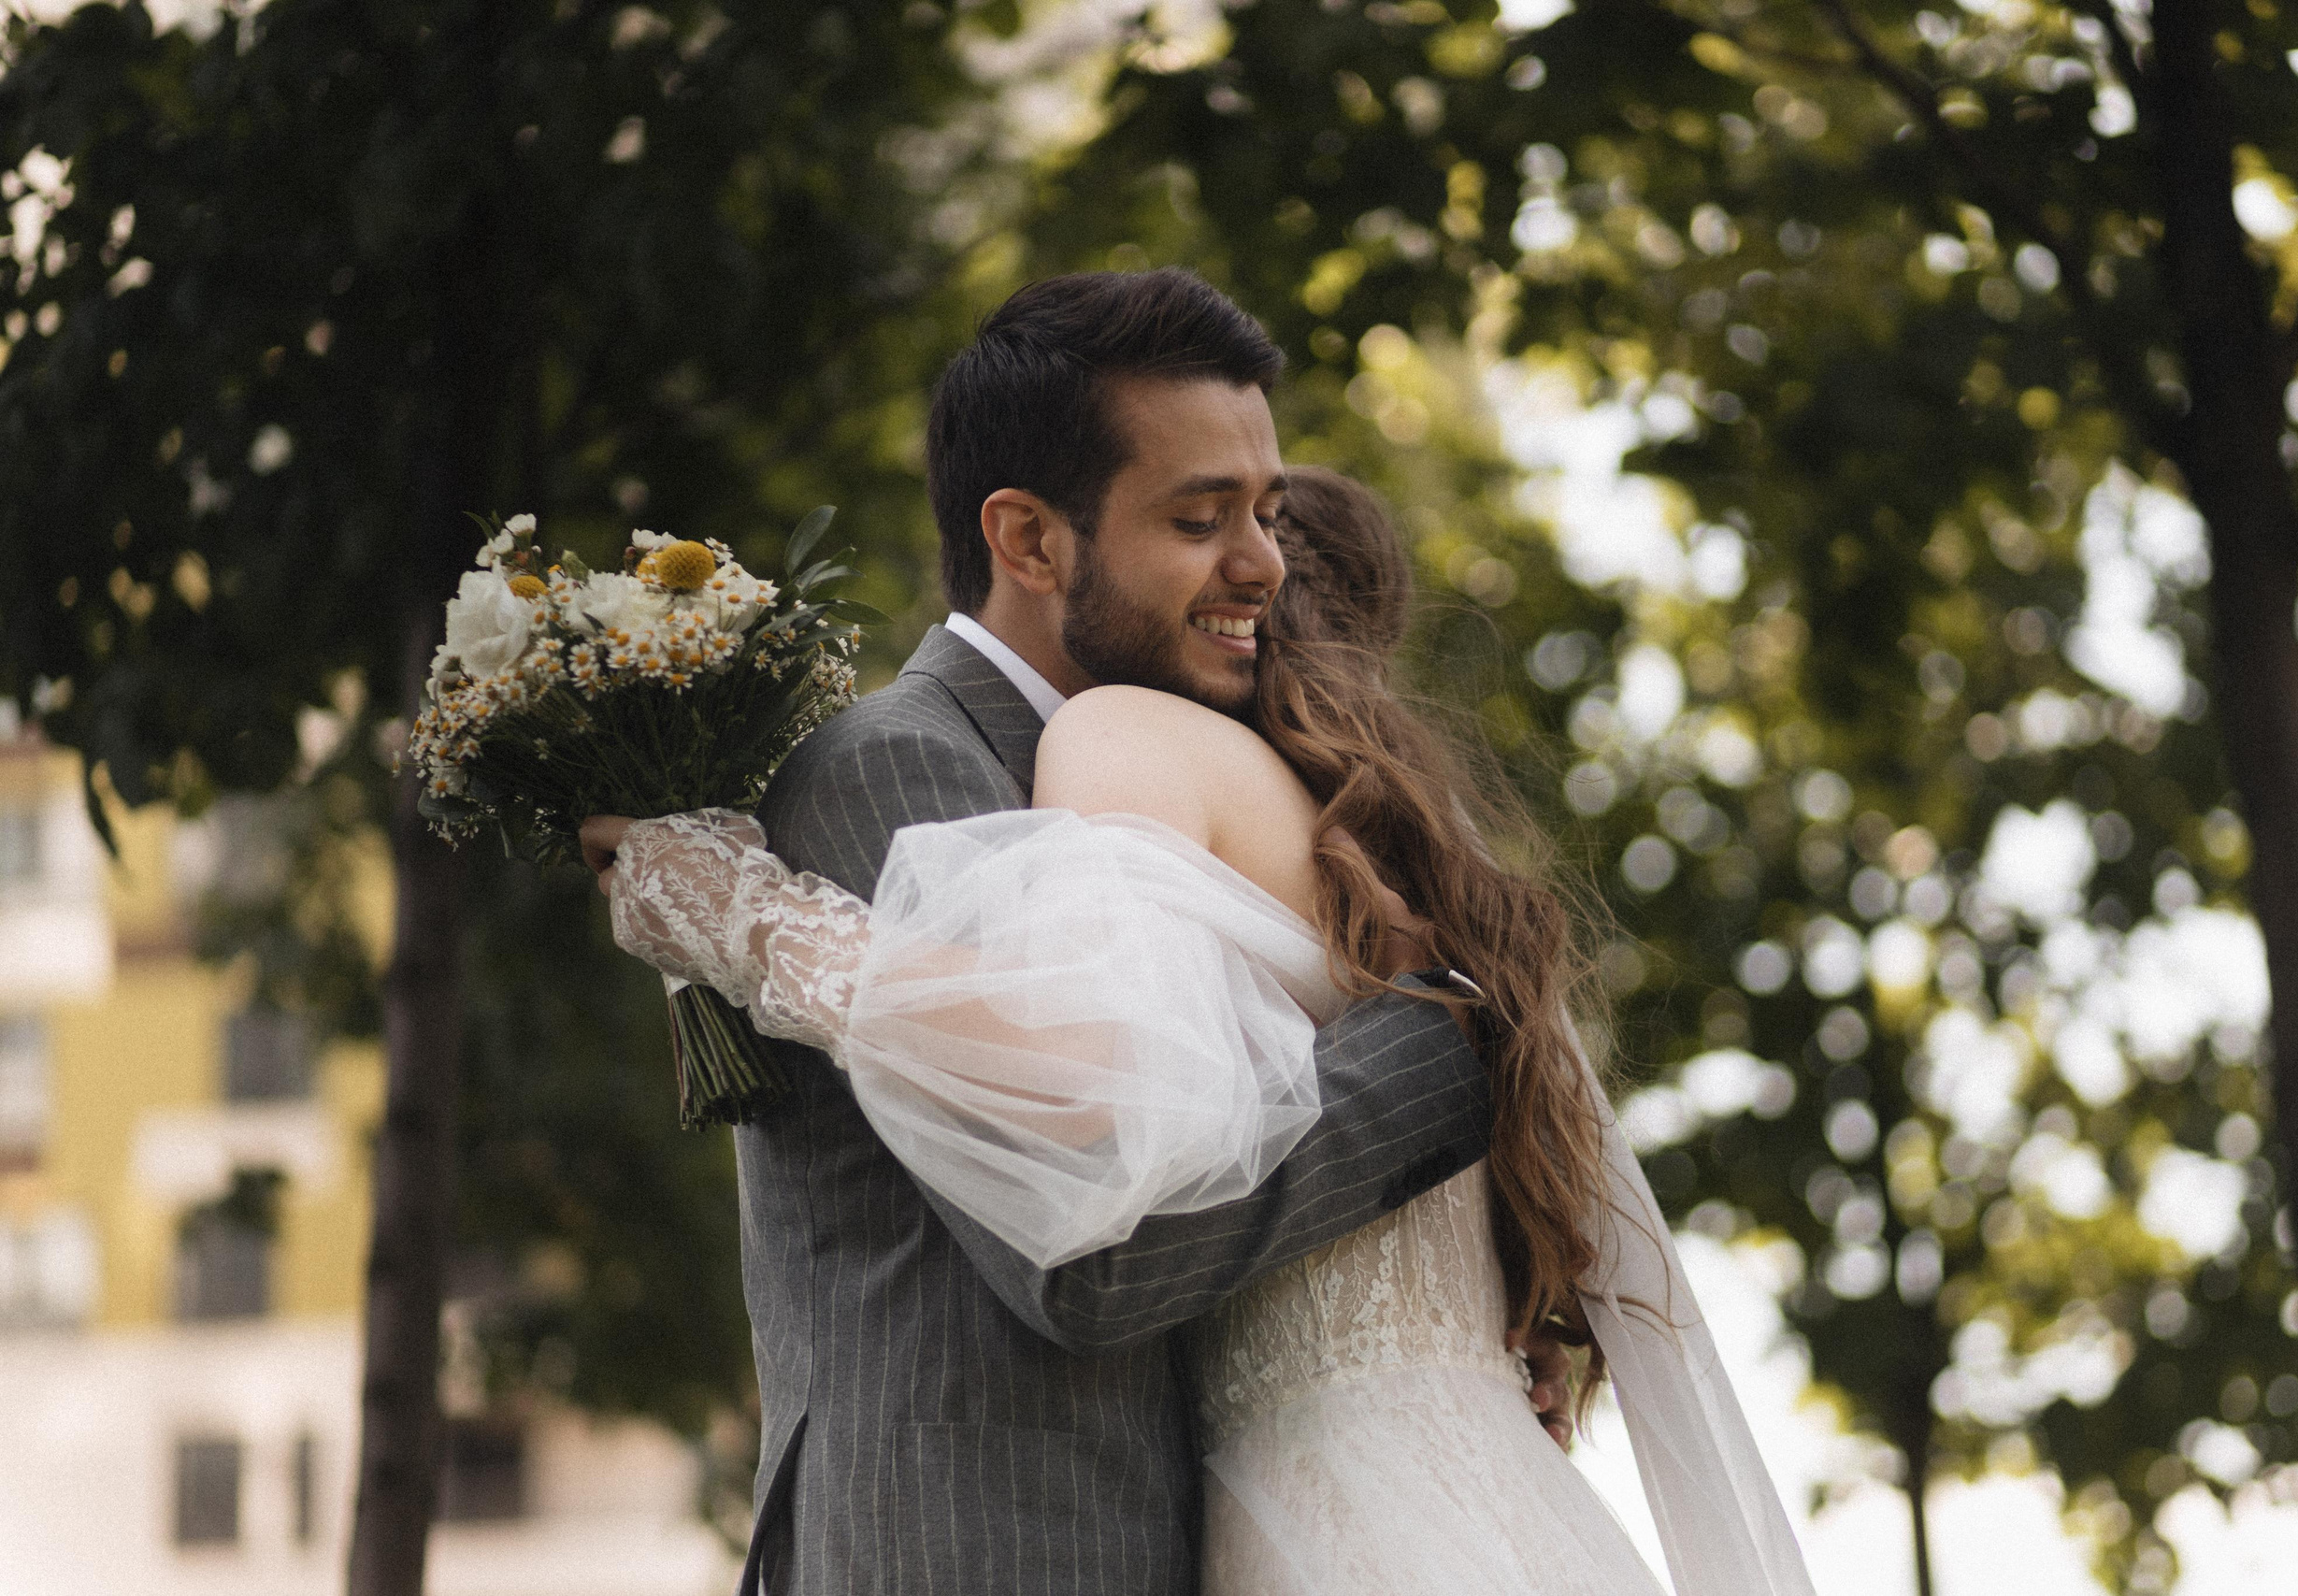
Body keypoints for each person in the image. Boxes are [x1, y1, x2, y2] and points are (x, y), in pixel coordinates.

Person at [588, 447, 1816, 1589]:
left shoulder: (1122, 742)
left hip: (1330, 1511)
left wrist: (757, 924)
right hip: (1482, 1497)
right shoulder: (1406, 861)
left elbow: (1098, 1195)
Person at [585, 269, 1536, 1596]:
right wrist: (1427, 1064)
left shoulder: (1171, 769)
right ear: (1030, 541)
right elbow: (1100, 1246)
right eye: (1199, 519)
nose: (1264, 563)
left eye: (1267, 513)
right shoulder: (900, 767)